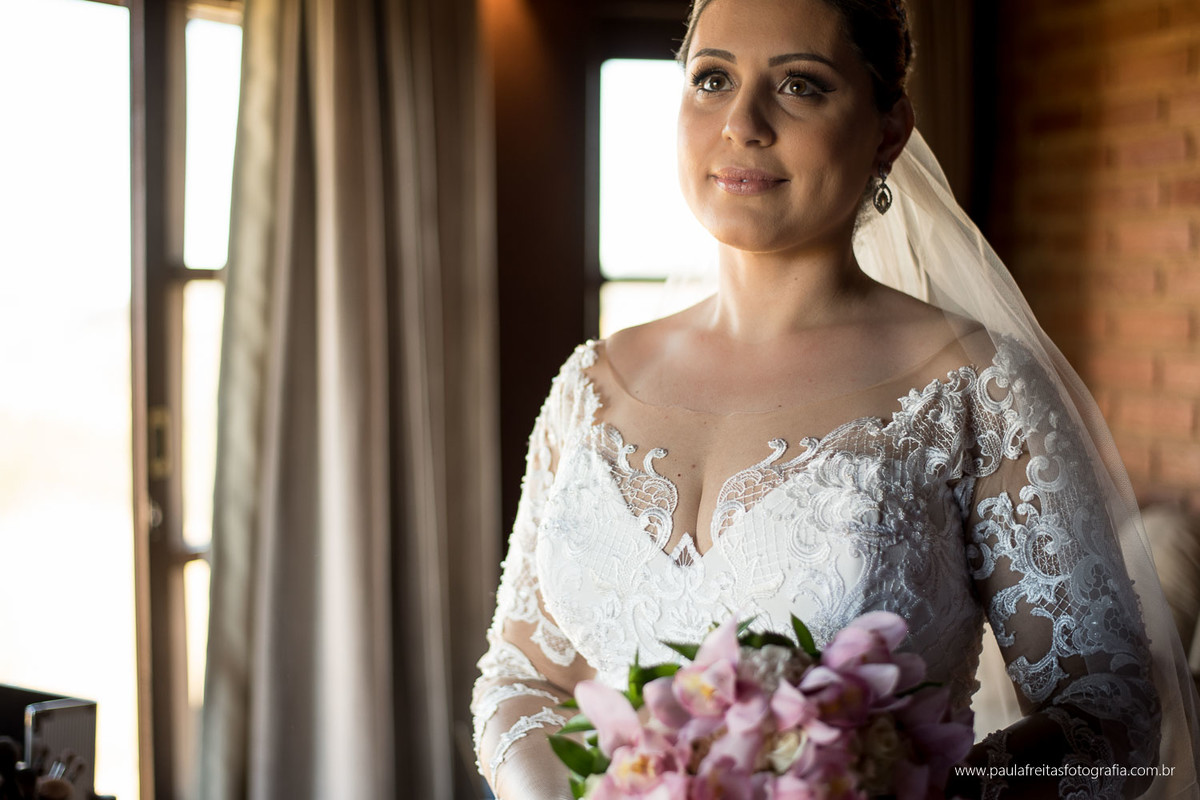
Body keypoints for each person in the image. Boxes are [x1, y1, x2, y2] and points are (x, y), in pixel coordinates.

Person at [472, 0, 1200, 797]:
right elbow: (520, 678)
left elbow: (1112, 718)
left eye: (801, 86)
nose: (742, 122)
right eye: (712, 78)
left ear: (888, 131)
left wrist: (908, 787)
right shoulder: (590, 383)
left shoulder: (972, 387)